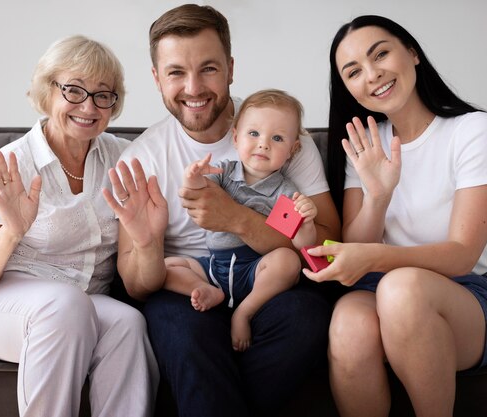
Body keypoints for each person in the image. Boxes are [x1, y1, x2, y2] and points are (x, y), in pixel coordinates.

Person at [102, 4, 341, 417]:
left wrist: (235, 218)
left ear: (230, 68)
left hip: (264, 277)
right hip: (189, 287)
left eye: (208, 68)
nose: (194, 87)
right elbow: (137, 285)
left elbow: (329, 246)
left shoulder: (275, 130)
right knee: (184, 335)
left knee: (306, 316)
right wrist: (145, 243)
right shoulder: (145, 156)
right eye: (176, 72)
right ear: (157, 78)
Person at [0, 35, 159, 417]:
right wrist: (12, 231)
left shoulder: (124, 158)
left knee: (127, 322)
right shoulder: (10, 166)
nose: (88, 106)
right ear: (47, 91)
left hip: (76, 301)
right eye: (73, 91)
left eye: (103, 95)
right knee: (65, 306)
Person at [305, 15, 487, 417]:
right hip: (379, 288)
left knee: (400, 290)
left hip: (470, 296)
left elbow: (462, 254)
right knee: (349, 322)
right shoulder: (363, 143)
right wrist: (379, 195)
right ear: (347, 88)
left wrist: (375, 260)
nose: (372, 75)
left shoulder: (474, 130)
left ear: (413, 53)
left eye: (380, 54)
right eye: (353, 72)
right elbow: (355, 245)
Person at [163, 89, 320, 352]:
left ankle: (245, 312)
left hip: (256, 269)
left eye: (278, 138)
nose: (263, 144)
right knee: (166, 267)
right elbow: (196, 196)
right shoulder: (224, 173)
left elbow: (301, 246)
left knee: (287, 261)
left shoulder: (285, 192)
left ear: (292, 150)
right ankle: (205, 289)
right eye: (254, 133)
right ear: (235, 138)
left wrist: (306, 223)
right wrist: (193, 177)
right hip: (214, 267)